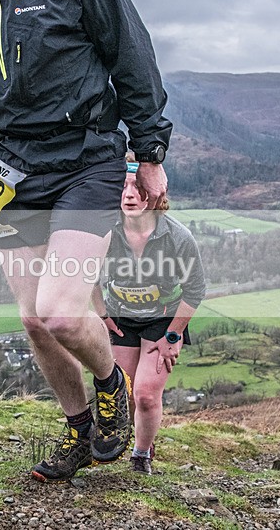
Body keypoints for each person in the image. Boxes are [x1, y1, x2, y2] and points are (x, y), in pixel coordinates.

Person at [0, 0, 173, 482]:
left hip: (88, 155)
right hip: (13, 167)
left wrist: (149, 149)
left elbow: (131, 54)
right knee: (34, 319)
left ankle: (110, 382)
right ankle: (79, 430)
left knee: (60, 310)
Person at [92, 163, 205, 474]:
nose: (130, 195)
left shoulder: (178, 237)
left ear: (156, 193)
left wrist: (174, 335)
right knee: (123, 390)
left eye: (139, 188)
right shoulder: (105, 231)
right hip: (121, 318)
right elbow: (87, 275)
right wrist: (102, 314)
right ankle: (134, 436)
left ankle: (141, 455)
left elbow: (195, 290)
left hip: (162, 321)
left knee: (145, 394)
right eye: (123, 187)